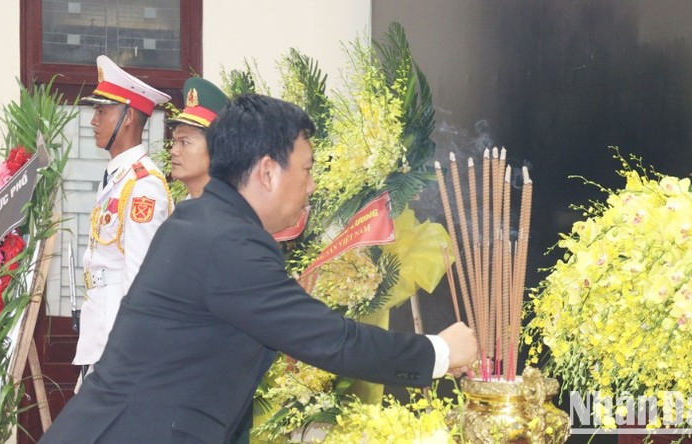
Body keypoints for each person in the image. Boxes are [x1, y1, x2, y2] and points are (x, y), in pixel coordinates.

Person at [42, 94, 478, 443]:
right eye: (306, 170)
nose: (311, 186)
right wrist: (438, 352)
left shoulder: (206, 222)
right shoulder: (227, 241)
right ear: (268, 172)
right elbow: (331, 340)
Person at [73, 55, 173, 386]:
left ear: (128, 117)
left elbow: (140, 276)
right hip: (102, 334)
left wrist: (130, 351)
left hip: (119, 343)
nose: (93, 120)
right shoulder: (119, 178)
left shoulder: (143, 184)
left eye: (102, 111)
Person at [166, 77, 229, 198]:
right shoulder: (188, 203)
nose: (173, 151)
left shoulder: (227, 211)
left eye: (184, 142)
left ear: (216, 148)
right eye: (175, 141)